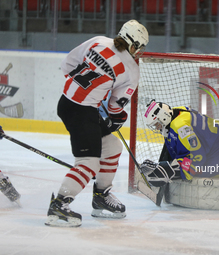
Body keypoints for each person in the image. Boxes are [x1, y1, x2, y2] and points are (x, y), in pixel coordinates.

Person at [45, 20, 149, 227]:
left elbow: (68, 64)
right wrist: (117, 119)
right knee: (89, 163)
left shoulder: (99, 41)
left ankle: (101, 196)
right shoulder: (131, 70)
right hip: (82, 112)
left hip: (67, 102)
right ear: (134, 45)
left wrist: (87, 95)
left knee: (112, 147)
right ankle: (59, 205)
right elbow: (115, 109)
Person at [140, 100, 219, 187]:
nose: (157, 128)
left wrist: (171, 172)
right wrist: (162, 166)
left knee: (192, 172)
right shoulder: (175, 114)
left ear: (163, 117)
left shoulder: (181, 126)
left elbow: (198, 157)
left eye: (157, 124)